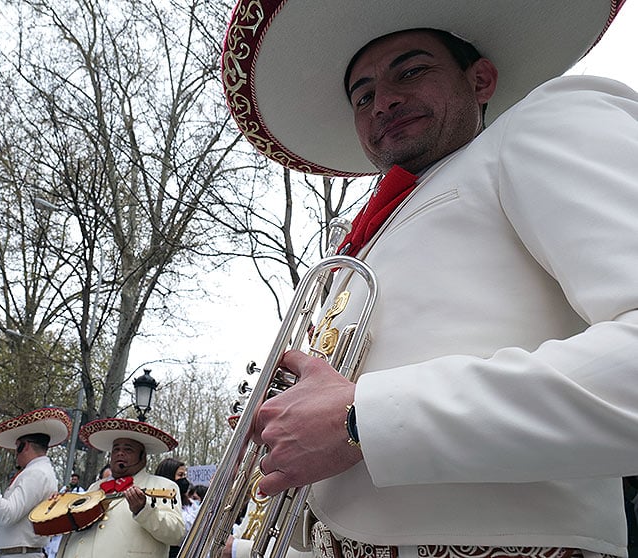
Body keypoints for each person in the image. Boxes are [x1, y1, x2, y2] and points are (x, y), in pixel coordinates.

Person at [218, 1, 638, 557]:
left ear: (481, 79)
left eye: (411, 71)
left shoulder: (541, 124)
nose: (383, 101)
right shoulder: (370, 238)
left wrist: (359, 419)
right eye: (362, 96)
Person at [57, 418, 185, 558]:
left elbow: (177, 534)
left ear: (143, 457)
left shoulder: (164, 486)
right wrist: (59, 505)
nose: (120, 453)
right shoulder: (95, 486)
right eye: (116, 449)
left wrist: (144, 510)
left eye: (128, 449)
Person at [0, 407, 71, 558]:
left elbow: (7, 515)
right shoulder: (39, 471)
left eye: (17, 446)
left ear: (26, 446)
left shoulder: (36, 473)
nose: (15, 453)